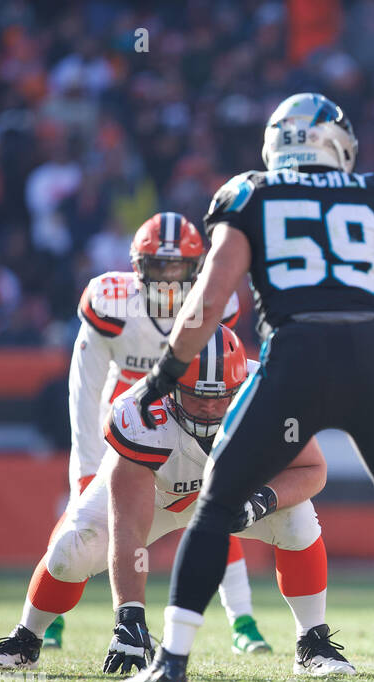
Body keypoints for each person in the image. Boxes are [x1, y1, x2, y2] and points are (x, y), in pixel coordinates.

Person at [120, 93, 374, 682]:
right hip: (370, 357)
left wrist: (166, 372)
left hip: (295, 355)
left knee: (214, 509)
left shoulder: (251, 193)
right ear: (337, 143)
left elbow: (208, 303)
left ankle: (174, 661)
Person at [0, 327, 333, 679]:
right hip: (157, 495)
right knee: (74, 545)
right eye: (197, 396)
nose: (210, 407)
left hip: (230, 495)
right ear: (172, 385)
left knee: (296, 518)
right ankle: (27, 637)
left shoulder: (269, 393)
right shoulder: (140, 414)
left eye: (220, 396)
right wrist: (129, 616)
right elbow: (128, 526)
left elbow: (313, 470)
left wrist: (260, 501)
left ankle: (312, 641)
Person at [51, 212, 269, 654]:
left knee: (215, 506)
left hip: (195, 419)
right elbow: (85, 388)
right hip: (128, 425)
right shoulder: (112, 303)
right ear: (137, 266)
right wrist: (87, 465)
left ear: (195, 268)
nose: (169, 278)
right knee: (84, 517)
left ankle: (243, 620)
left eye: (178, 267)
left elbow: (227, 370)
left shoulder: (215, 303)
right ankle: (50, 619)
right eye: (159, 266)